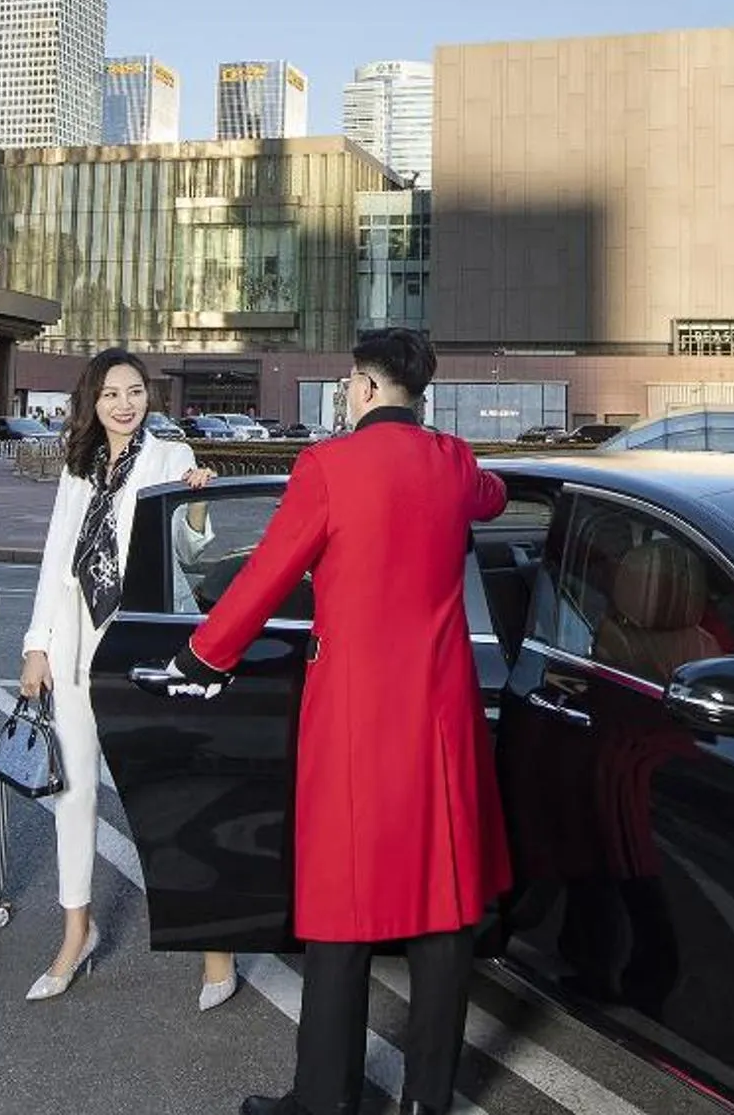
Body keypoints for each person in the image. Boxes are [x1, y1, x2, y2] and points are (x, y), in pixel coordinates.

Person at [166, 329, 510, 1115]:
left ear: (360, 387)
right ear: (417, 392)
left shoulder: (327, 466)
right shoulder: (454, 462)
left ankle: (325, 1101)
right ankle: (427, 1099)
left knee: (343, 911)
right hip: (440, 714)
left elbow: (265, 574)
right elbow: (490, 496)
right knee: (443, 903)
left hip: (354, 713)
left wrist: (202, 654)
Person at [16, 347, 240, 1011]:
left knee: (171, 789)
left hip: (140, 640)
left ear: (148, 397)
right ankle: (75, 933)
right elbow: (58, 557)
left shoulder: (168, 457)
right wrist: (37, 646)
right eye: (111, 392)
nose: (123, 402)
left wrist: (198, 506)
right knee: (75, 790)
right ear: (93, 400)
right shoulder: (78, 464)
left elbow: (192, 555)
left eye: (134, 390)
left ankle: (214, 943)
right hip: (77, 642)